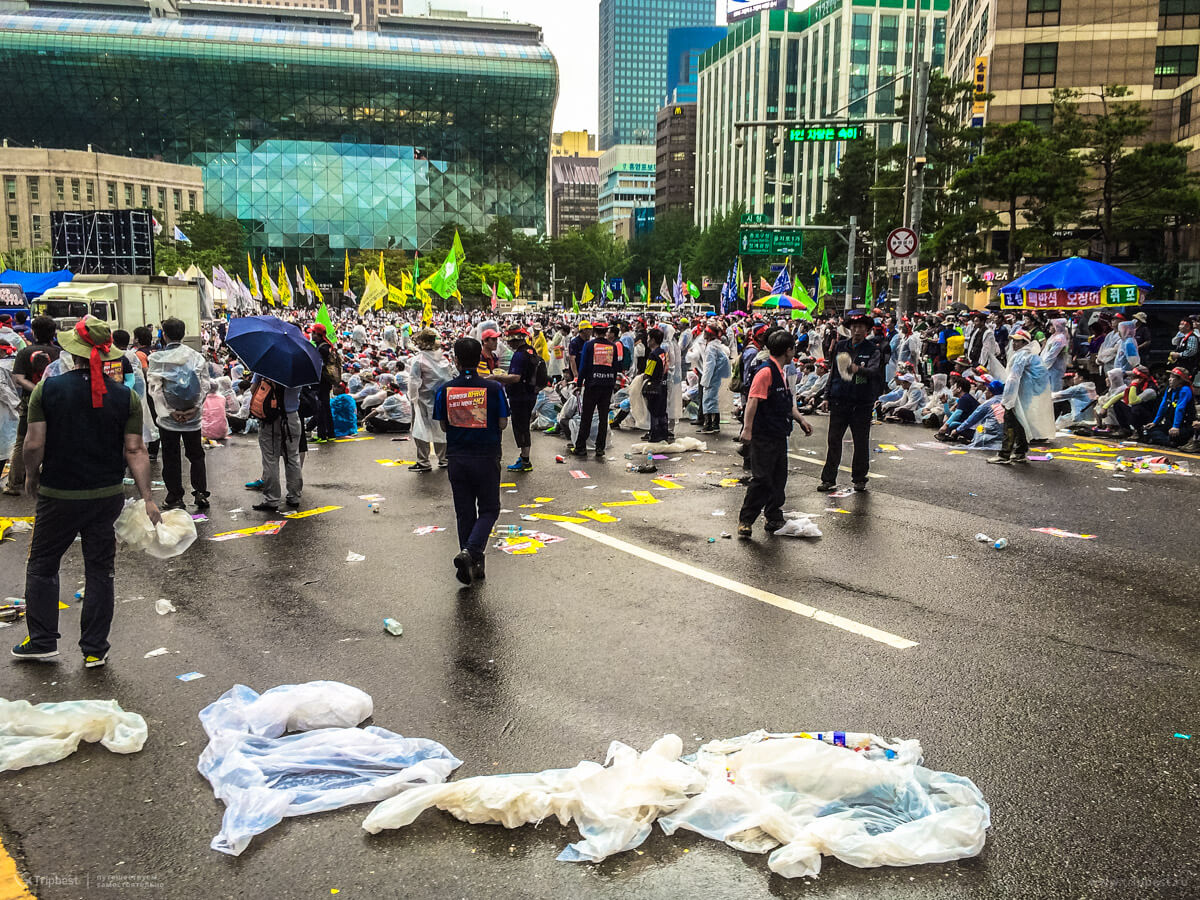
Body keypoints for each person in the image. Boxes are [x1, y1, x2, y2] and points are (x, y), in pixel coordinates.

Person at [11, 316, 160, 667]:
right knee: (100, 570)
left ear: (71, 352)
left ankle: (43, 640)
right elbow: (135, 450)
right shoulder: (125, 396)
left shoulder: (48, 390)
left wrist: (31, 475)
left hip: (58, 494)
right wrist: (149, 499)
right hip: (106, 496)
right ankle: (95, 648)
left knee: (42, 566)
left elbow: (33, 444)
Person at [433, 337, 509, 585]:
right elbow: (502, 423)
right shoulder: (494, 389)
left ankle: (471, 563)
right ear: (480, 360)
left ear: (455, 360)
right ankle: (472, 552)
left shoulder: (444, 390)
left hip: (457, 456)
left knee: (464, 512)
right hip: (487, 455)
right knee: (489, 509)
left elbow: (443, 425)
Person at [737, 329, 813, 537]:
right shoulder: (766, 372)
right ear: (788, 350)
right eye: (793, 349)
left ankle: (773, 516)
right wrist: (748, 429)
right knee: (762, 479)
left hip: (780, 434)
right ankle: (746, 520)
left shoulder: (782, 372)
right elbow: (753, 400)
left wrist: (801, 420)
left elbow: (787, 403)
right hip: (764, 435)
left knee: (779, 478)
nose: (794, 352)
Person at [147, 317, 210, 510]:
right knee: (196, 455)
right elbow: (205, 385)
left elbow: (155, 389)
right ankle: (200, 492)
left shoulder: (157, 359)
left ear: (164, 335)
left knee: (171, 456)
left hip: (168, 419)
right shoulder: (196, 357)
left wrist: (169, 412)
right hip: (193, 418)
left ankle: (175, 496)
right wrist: (194, 409)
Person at [818, 311, 883, 492]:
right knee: (833, 441)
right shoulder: (840, 346)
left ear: (867, 330)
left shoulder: (873, 349)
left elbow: (874, 371)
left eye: (861, 327)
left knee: (860, 442)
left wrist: (857, 369)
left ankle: (859, 478)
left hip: (862, 403)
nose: (857, 330)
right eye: (854, 327)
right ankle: (828, 479)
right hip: (839, 401)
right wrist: (826, 396)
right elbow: (833, 373)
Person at [3, 315, 58, 496]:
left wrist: (36, 390)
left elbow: (18, 379)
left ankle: (14, 483)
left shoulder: (24, 352)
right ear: (53, 333)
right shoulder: (59, 353)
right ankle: (50, 480)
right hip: (56, 401)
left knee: (22, 440)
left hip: (29, 403)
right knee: (53, 439)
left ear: (33, 332)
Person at [990, 329, 1053, 465]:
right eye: (1014, 340)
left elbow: (1013, 379)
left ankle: (1005, 454)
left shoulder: (1021, 356)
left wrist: (1007, 399)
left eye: (1018, 341)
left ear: (1025, 343)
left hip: (1017, 396)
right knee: (1021, 424)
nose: (1014, 343)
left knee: (1010, 423)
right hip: (1026, 396)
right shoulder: (1032, 356)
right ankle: (1020, 452)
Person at [249, 375, 303, 513]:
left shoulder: (265, 366)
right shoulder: (299, 366)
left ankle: (272, 499)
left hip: (270, 418)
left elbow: (253, 389)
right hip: (292, 417)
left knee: (270, 459)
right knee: (292, 457)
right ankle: (294, 496)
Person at [489, 326, 539, 473]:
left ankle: (525, 460)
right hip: (530, 394)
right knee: (524, 426)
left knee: (521, 427)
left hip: (520, 396)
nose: (509, 345)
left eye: (511, 342)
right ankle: (524, 456)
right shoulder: (531, 350)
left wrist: (496, 377)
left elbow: (516, 377)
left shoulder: (519, 355)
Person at [407, 327, 454, 472]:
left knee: (420, 430)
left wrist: (413, 398)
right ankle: (444, 458)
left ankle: (423, 460)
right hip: (440, 399)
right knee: (441, 429)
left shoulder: (418, 360)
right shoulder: (442, 358)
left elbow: (414, 382)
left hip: (422, 399)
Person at [571, 321, 618, 458]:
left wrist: (579, 383)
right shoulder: (613, 346)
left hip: (592, 385)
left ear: (594, 332)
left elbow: (584, 366)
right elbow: (615, 367)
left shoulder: (589, 345)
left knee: (587, 417)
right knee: (603, 418)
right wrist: (612, 382)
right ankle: (600, 448)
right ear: (606, 332)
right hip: (607, 385)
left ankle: (581, 447)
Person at [1142, 367, 1195, 447]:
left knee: (1176, 435)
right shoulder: (1169, 389)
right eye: (1170, 377)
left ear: (1181, 380)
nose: (1170, 379)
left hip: (1183, 424)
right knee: (1149, 430)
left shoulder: (1185, 390)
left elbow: (1180, 408)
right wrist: (1155, 422)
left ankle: (1168, 441)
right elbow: (1163, 405)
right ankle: (1168, 441)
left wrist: (1175, 426)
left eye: (1173, 377)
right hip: (1169, 423)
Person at [699, 325, 731, 434]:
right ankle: (715, 424)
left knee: (708, 400)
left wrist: (705, 381)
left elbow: (709, 365)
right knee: (714, 401)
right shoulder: (717, 346)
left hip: (712, 377)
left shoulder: (711, 348)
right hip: (717, 377)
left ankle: (708, 425)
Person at [642, 327, 670, 443]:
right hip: (663, 385)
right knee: (662, 410)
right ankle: (664, 433)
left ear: (653, 340)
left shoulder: (653, 355)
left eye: (648, 338)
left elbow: (648, 373)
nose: (647, 341)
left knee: (654, 411)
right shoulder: (663, 353)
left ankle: (655, 435)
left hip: (654, 387)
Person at [311, 322, 338, 442]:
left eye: (313, 332)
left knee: (321, 407)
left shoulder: (322, 349)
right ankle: (330, 433)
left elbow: (318, 365)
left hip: (322, 381)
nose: (311, 335)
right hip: (326, 381)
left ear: (318, 334)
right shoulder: (326, 346)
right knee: (326, 407)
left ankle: (322, 434)